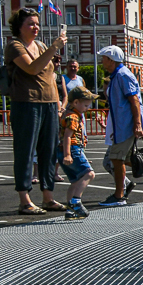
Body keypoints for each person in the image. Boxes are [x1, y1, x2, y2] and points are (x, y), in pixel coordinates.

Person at [5, 9, 67, 214]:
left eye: (37, 23)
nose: (36, 27)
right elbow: (31, 68)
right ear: (19, 27)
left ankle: (48, 197)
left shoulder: (40, 45)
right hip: (26, 103)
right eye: (31, 23)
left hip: (49, 103)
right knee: (25, 150)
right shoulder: (15, 46)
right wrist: (54, 48)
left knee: (48, 152)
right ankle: (25, 200)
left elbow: (50, 77)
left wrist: (58, 103)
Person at [98, 46, 143, 206]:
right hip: (123, 125)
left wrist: (137, 124)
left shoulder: (123, 75)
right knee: (128, 158)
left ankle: (119, 196)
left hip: (127, 125)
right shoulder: (117, 75)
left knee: (116, 158)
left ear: (111, 59)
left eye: (103, 57)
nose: (102, 61)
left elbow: (134, 100)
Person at [58, 86, 96, 219]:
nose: (87, 108)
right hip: (73, 149)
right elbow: (67, 136)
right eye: (85, 105)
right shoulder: (72, 117)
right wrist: (68, 154)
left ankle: (70, 210)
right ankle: (75, 202)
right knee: (89, 174)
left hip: (70, 150)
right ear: (75, 103)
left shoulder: (69, 114)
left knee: (75, 181)